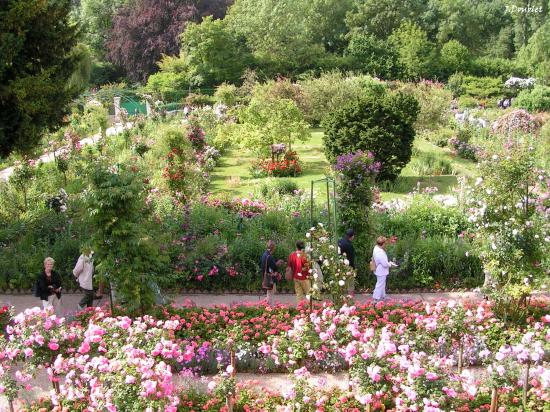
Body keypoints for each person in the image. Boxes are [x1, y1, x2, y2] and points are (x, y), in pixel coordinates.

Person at [371, 236, 397, 301]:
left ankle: (383, 296)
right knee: (380, 284)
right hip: (381, 270)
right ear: (382, 244)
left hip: (379, 270)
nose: (386, 245)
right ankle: (376, 298)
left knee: (382, 284)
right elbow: (385, 264)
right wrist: (391, 264)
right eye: (385, 243)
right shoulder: (380, 252)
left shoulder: (376, 248)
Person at [260, 240, 284, 305]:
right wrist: (278, 263)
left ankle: (267, 306)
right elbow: (273, 267)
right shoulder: (269, 256)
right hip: (269, 277)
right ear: (273, 248)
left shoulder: (264, 254)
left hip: (265, 276)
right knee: (270, 294)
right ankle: (270, 308)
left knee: (269, 293)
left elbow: (266, 266)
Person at [287, 240, 310, 305]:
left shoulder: (292, 255)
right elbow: (308, 267)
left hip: (296, 277)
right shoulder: (304, 255)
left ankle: (300, 309)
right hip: (304, 278)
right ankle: (309, 309)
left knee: (299, 295)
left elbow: (289, 266)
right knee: (308, 294)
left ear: (296, 246)